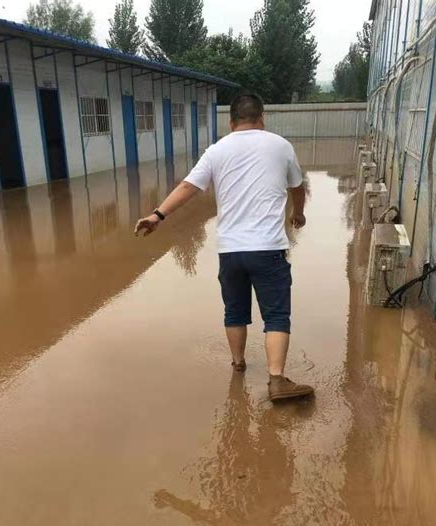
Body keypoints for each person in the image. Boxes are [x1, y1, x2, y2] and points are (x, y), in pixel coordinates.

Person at [135, 93, 314, 401]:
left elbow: (188, 186)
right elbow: (297, 187)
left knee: (235, 311)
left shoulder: (216, 150)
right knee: (276, 316)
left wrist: (157, 215)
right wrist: (298, 214)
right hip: (268, 248)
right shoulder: (280, 145)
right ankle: (276, 380)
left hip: (230, 251)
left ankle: (239, 364)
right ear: (262, 118)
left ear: (231, 123)